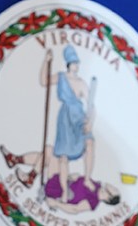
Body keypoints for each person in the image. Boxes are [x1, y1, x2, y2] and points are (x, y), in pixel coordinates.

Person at [41, 46, 98, 202]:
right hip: (66, 119)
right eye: (73, 62)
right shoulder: (61, 78)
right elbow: (44, 81)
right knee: (63, 157)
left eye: (77, 62)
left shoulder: (81, 83)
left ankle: (87, 178)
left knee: (90, 143)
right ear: (68, 64)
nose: (76, 65)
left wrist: (90, 123)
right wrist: (46, 62)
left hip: (80, 118)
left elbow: (92, 106)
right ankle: (65, 191)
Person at [0, 143, 120, 214]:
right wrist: (72, 177)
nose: (113, 186)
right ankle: (15, 161)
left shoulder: (93, 202)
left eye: (114, 190)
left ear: (108, 197)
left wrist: (56, 204)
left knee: (51, 152)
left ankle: (29, 177)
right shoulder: (96, 185)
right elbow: (76, 184)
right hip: (62, 180)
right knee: (48, 154)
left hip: (57, 190)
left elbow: (75, 209)